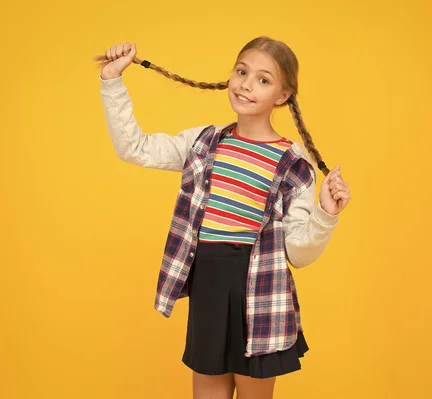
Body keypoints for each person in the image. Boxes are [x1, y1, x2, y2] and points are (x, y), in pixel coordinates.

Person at [95, 36, 351, 399]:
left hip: (262, 289)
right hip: (209, 286)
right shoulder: (203, 143)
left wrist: (325, 214)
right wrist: (112, 81)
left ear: (283, 95)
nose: (247, 84)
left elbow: (297, 253)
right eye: (242, 71)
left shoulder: (294, 165)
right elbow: (134, 147)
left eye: (263, 79)